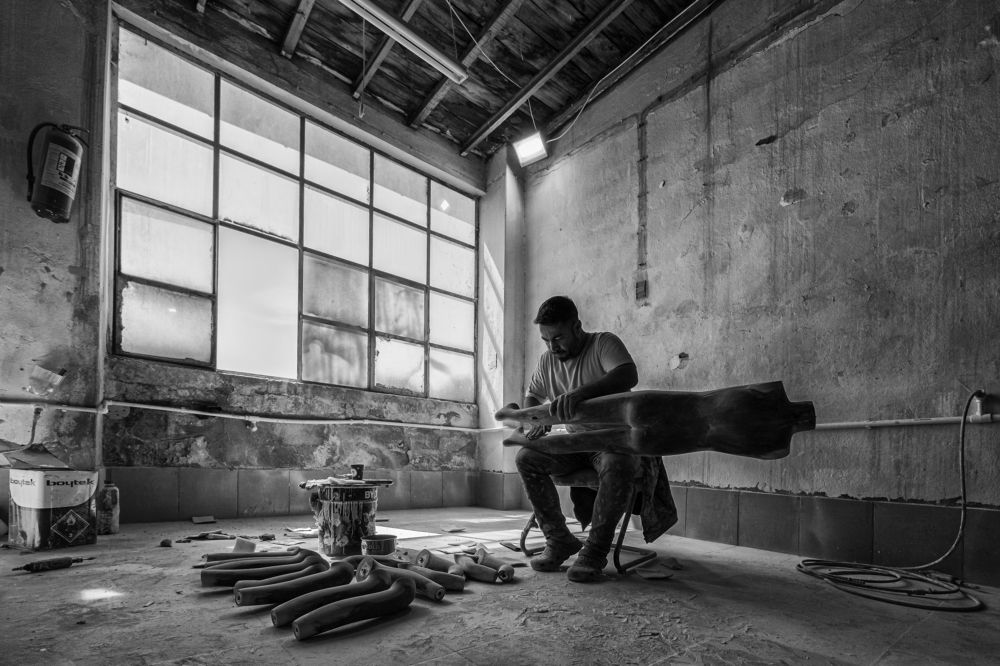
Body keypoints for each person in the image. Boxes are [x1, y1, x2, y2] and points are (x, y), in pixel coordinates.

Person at [516, 296, 676, 582]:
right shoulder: (546, 361)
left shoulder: (602, 343)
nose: (553, 347)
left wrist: (580, 394)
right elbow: (533, 395)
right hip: (576, 442)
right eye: (546, 340)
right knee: (527, 457)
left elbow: (628, 373)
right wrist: (534, 422)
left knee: (619, 463)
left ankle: (595, 551)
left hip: (612, 441)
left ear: (577, 327)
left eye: (558, 338)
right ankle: (559, 540)